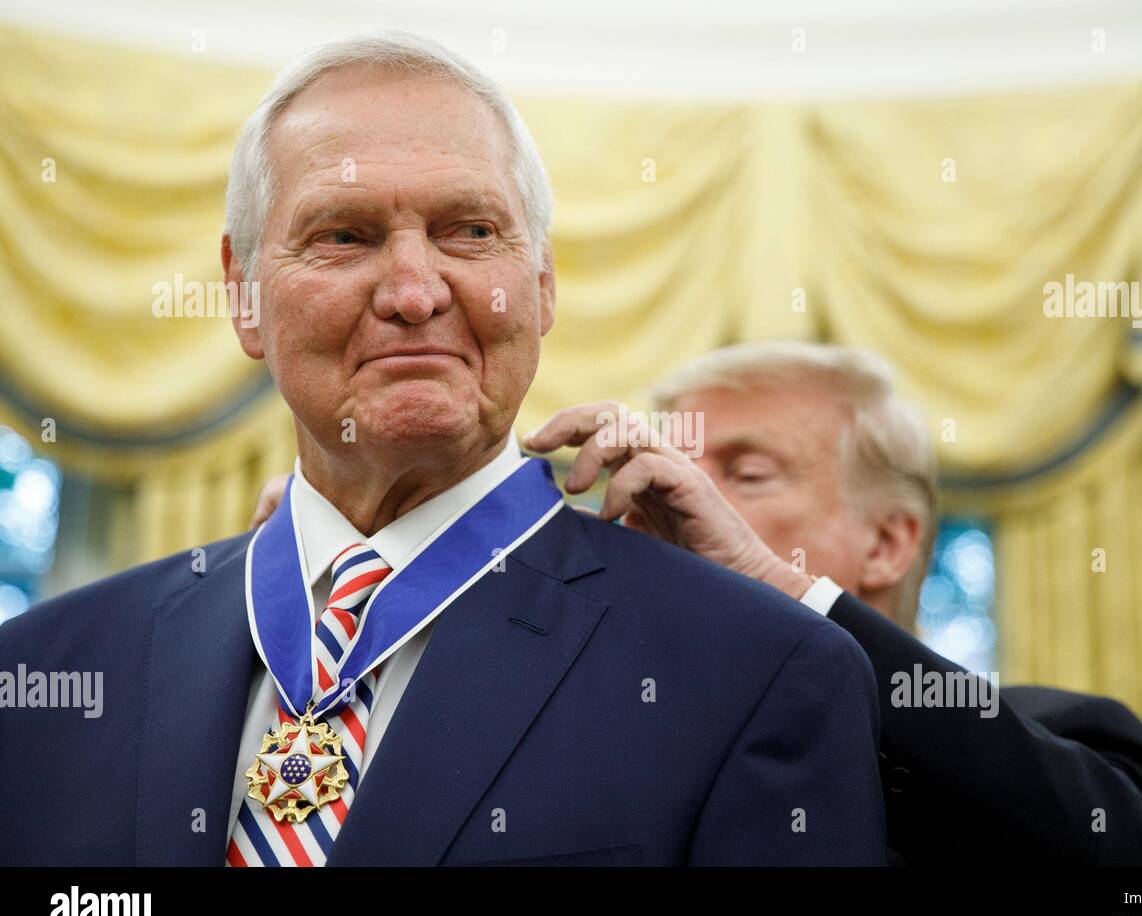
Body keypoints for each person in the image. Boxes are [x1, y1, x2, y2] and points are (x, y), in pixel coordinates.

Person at [0, 34, 887, 867]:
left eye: (470, 231)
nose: (415, 293)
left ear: (541, 286)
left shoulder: (754, 671)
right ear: (243, 296)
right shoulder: (44, 675)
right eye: (343, 235)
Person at [519, 341, 1142, 865]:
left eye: (748, 473)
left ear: (886, 544)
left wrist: (773, 583)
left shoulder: (1064, 733)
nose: (678, 493)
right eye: (675, 464)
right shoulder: (601, 756)